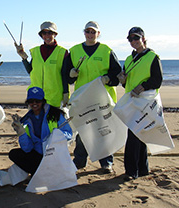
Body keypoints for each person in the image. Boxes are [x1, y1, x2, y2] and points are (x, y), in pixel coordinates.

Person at [65, 21, 120, 172]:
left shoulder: (106, 51)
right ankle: (80, 160)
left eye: (93, 32)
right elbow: (67, 77)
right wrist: (71, 75)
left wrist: (107, 79)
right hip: (83, 98)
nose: (90, 34)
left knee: (103, 129)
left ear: (98, 34)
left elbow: (117, 75)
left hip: (103, 98)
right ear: (84, 33)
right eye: (88, 32)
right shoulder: (75, 51)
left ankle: (106, 162)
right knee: (83, 129)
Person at [120, 27, 164, 180]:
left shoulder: (152, 57)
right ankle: (142, 169)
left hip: (146, 102)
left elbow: (157, 80)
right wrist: (123, 80)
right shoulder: (128, 59)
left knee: (134, 135)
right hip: (132, 102)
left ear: (143, 39)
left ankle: (131, 171)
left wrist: (143, 86)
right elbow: (126, 83)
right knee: (139, 134)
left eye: (136, 38)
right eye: (130, 39)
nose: (133, 41)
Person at [8, 87, 73, 175]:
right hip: (38, 154)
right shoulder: (26, 120)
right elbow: (27, 149)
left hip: (54, 153)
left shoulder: (55, 114)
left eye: (37, 101)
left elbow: (69, 134)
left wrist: (56, 136)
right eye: (31, 101)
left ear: (43, 101)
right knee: (14, 154)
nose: (34, 104)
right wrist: (21, 133)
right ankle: (40, 173)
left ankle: (44, 172)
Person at [15, 21, 69, 109]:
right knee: (35, 122)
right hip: (35, 96)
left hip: (54, 97)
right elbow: (31, 71)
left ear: (55, 34)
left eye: (50, 33)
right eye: (44, 33)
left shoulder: (62, 52)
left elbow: (64, 75)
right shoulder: (36, 52)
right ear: (41, 35)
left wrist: (66, 93)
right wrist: (24, 58)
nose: (47, 36)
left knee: (52, 122)